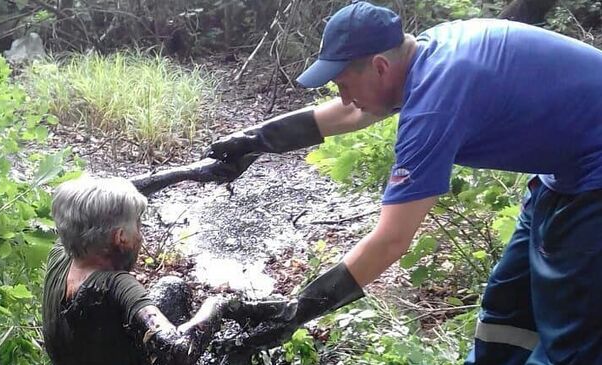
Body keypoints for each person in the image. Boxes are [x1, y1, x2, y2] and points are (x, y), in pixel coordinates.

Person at [205, 1, 602, 364]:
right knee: (507, 307)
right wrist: (254, 140)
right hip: (567, 172)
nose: (342, 97)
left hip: (593, 181)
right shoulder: (425, 52)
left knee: (571, 337)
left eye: (343, 84)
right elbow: (354, 113)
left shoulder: (434, 102)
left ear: (379, 66)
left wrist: (299, 310)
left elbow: (392, 240)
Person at [42, 175, 227, 365]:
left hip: (77, 353)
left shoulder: (61, 253)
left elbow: (92, 209)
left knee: (172, 287)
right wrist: (218, 305)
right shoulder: (116, 285)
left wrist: (195, 172)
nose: (141, 235)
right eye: (138, 225)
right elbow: (178, 350)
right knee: (174, 289)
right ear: (121, 237)